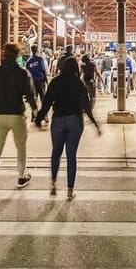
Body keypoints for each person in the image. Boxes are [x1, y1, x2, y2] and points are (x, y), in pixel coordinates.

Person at [36, 56, 101, 199]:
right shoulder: (79, 83)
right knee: (71, 156)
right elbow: (86, 106)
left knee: (56, 153)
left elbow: (46, 103)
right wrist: (95, 124)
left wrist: (39, 118)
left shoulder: (55, 82)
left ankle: (53, 183)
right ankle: (70, 191)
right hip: (75, 121)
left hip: (58, 120)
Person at [0, 42, 38, 203]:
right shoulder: (22, 73)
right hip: (16, 114)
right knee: (20, 148)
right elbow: (29, 94)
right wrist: (35, 111)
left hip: (0, 114)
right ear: (18, 55)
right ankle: (21, 177)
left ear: (3, 54)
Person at [25, 44, 48, 109]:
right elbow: (43, 70)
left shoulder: (28, 61)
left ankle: (34, 115)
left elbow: (27, 73)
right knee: (42, 97)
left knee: (34, 98)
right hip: (41, 80)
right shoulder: (40, 59)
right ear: (37, 50)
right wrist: (46, 80)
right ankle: (44, 114)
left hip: (32, 81)